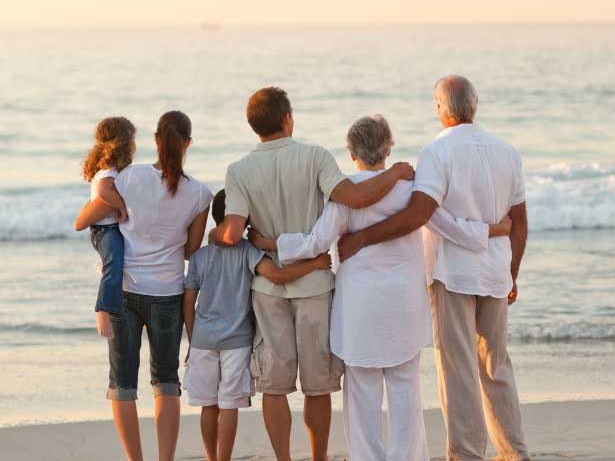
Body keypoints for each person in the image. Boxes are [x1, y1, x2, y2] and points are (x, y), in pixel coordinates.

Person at [249, 114, 511, 461]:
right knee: (406, 390)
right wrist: (493, 231)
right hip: (403, 302)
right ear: (389, 147)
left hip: (360, 306)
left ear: (351, 151)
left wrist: (268, 242)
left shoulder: (345, 195)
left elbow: (315, 243)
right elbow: (449, 227)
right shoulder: (411, 191)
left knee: (362, 397)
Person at [208, 87, 415, 461]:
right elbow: (357, 198)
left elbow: (233, 232)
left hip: (268, 288)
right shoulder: (315, 156)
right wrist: (399, 171)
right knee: (317, 385)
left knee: (274, 384)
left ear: (254, 126)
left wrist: (211, 235)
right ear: (288, 119)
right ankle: (319, 457)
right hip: (315, 287)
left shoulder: (238, 170)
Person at [337, 76, 531, 461]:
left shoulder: (437, 153)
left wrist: (362, 238)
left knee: (457, 368)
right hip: (494, 273)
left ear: (442, 109)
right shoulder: (508, 152)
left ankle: (466, 454)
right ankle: (514, 452)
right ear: (474, 107)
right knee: (497, 365)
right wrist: (513, 272)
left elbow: (418, 215)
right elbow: (520, 221)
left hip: (453, 274)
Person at [77, 110, 214, 461]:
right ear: (188, 144)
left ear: (155, 140)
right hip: (167, 293)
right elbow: (190, 250)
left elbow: (94, 212)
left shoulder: (130, 176)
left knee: (122, 382)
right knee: (166, 380)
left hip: (123, 291)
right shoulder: (200, 194)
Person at [182, 189, 333, 461]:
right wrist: (316, 263)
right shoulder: (247, 252)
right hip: (236, 341)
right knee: (229, 405)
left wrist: (193, 341)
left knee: (208, 405)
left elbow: (188, 302)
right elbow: (276, 276)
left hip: (203, 341)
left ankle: (211, 458)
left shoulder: (199, 258)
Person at [73, 117, 136, 338]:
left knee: (121, 266)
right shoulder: (108, 171)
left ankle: (126, 308)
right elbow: (103, 192)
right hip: (105, 229)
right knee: (114, 265)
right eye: (132, 139)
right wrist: (123, 208)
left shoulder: (110, 169)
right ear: (123, 142)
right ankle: (103, 310)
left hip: (109, 228)